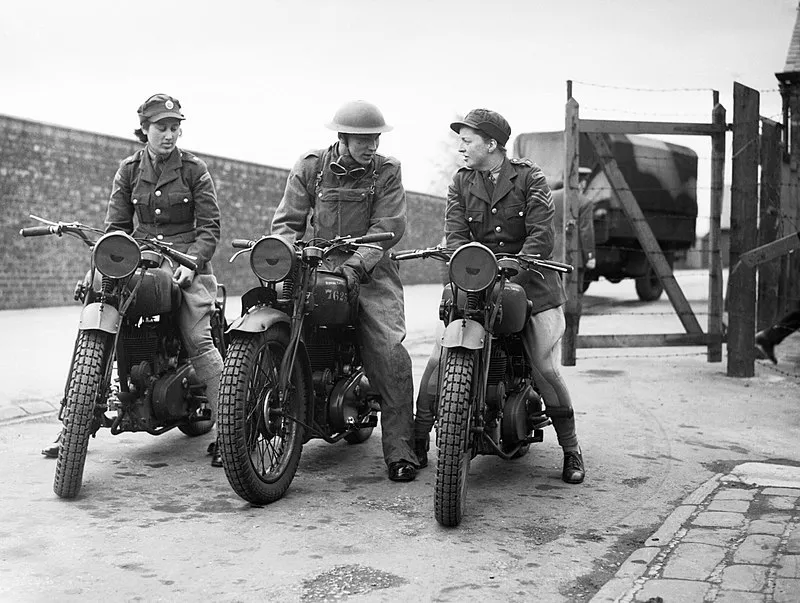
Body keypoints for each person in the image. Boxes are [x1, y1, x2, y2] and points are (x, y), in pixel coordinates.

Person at [42, 94, 225, 467]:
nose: (169, 134)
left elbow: (210, 228)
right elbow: (116, 227)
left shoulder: (194, 170)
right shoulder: (128, 170)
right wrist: (113, 258)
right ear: (145, 129)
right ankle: (74, 423)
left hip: (183, 262)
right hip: (139, 257)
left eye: (174, 127)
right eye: (161, 127)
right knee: (95, 315)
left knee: (198, 338)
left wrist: (193, 263)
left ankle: (231, 431)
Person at [413, 108, 585, 484]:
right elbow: (455, 235)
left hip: (532, 284)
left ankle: (571, 449)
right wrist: (465, 268)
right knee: (438, 358)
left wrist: (515, 267)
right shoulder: (461, 181)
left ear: (491, 144)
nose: (461, 147)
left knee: (543, 365)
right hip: (476, 281)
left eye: (467, 141)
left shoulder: (529, 177)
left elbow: (542, 235)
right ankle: (418, 439)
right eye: (460, 141)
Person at [270, 100, 419, 482]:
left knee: (388, 348)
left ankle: (401, 450)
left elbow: (388, 227)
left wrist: (356, 264)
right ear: (342, 137)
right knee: (274, 321)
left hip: (371, 270)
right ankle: (242, 426)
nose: (372, 146)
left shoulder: (387, 170)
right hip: (316, 265)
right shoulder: (311, 167)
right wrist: (284, 257)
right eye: (364, 139)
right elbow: (287, 223)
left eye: (375, 139)